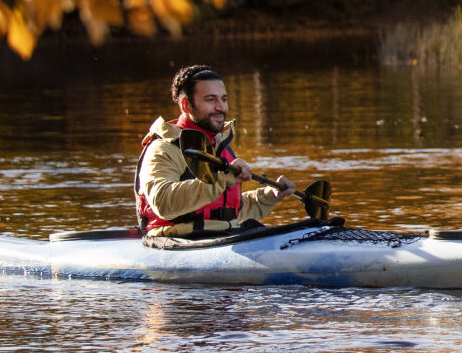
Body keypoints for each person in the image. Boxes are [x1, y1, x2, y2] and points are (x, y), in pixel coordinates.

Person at [134, 65, 323, 237]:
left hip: (222, 236)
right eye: (211, 100)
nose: (221, 107)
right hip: (178, 241)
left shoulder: (218, 145)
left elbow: (229, 211)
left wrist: (268, 197)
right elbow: (163, 202)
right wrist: (220, 179)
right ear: (186, 105)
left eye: (223, 99)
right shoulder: (163, 149)